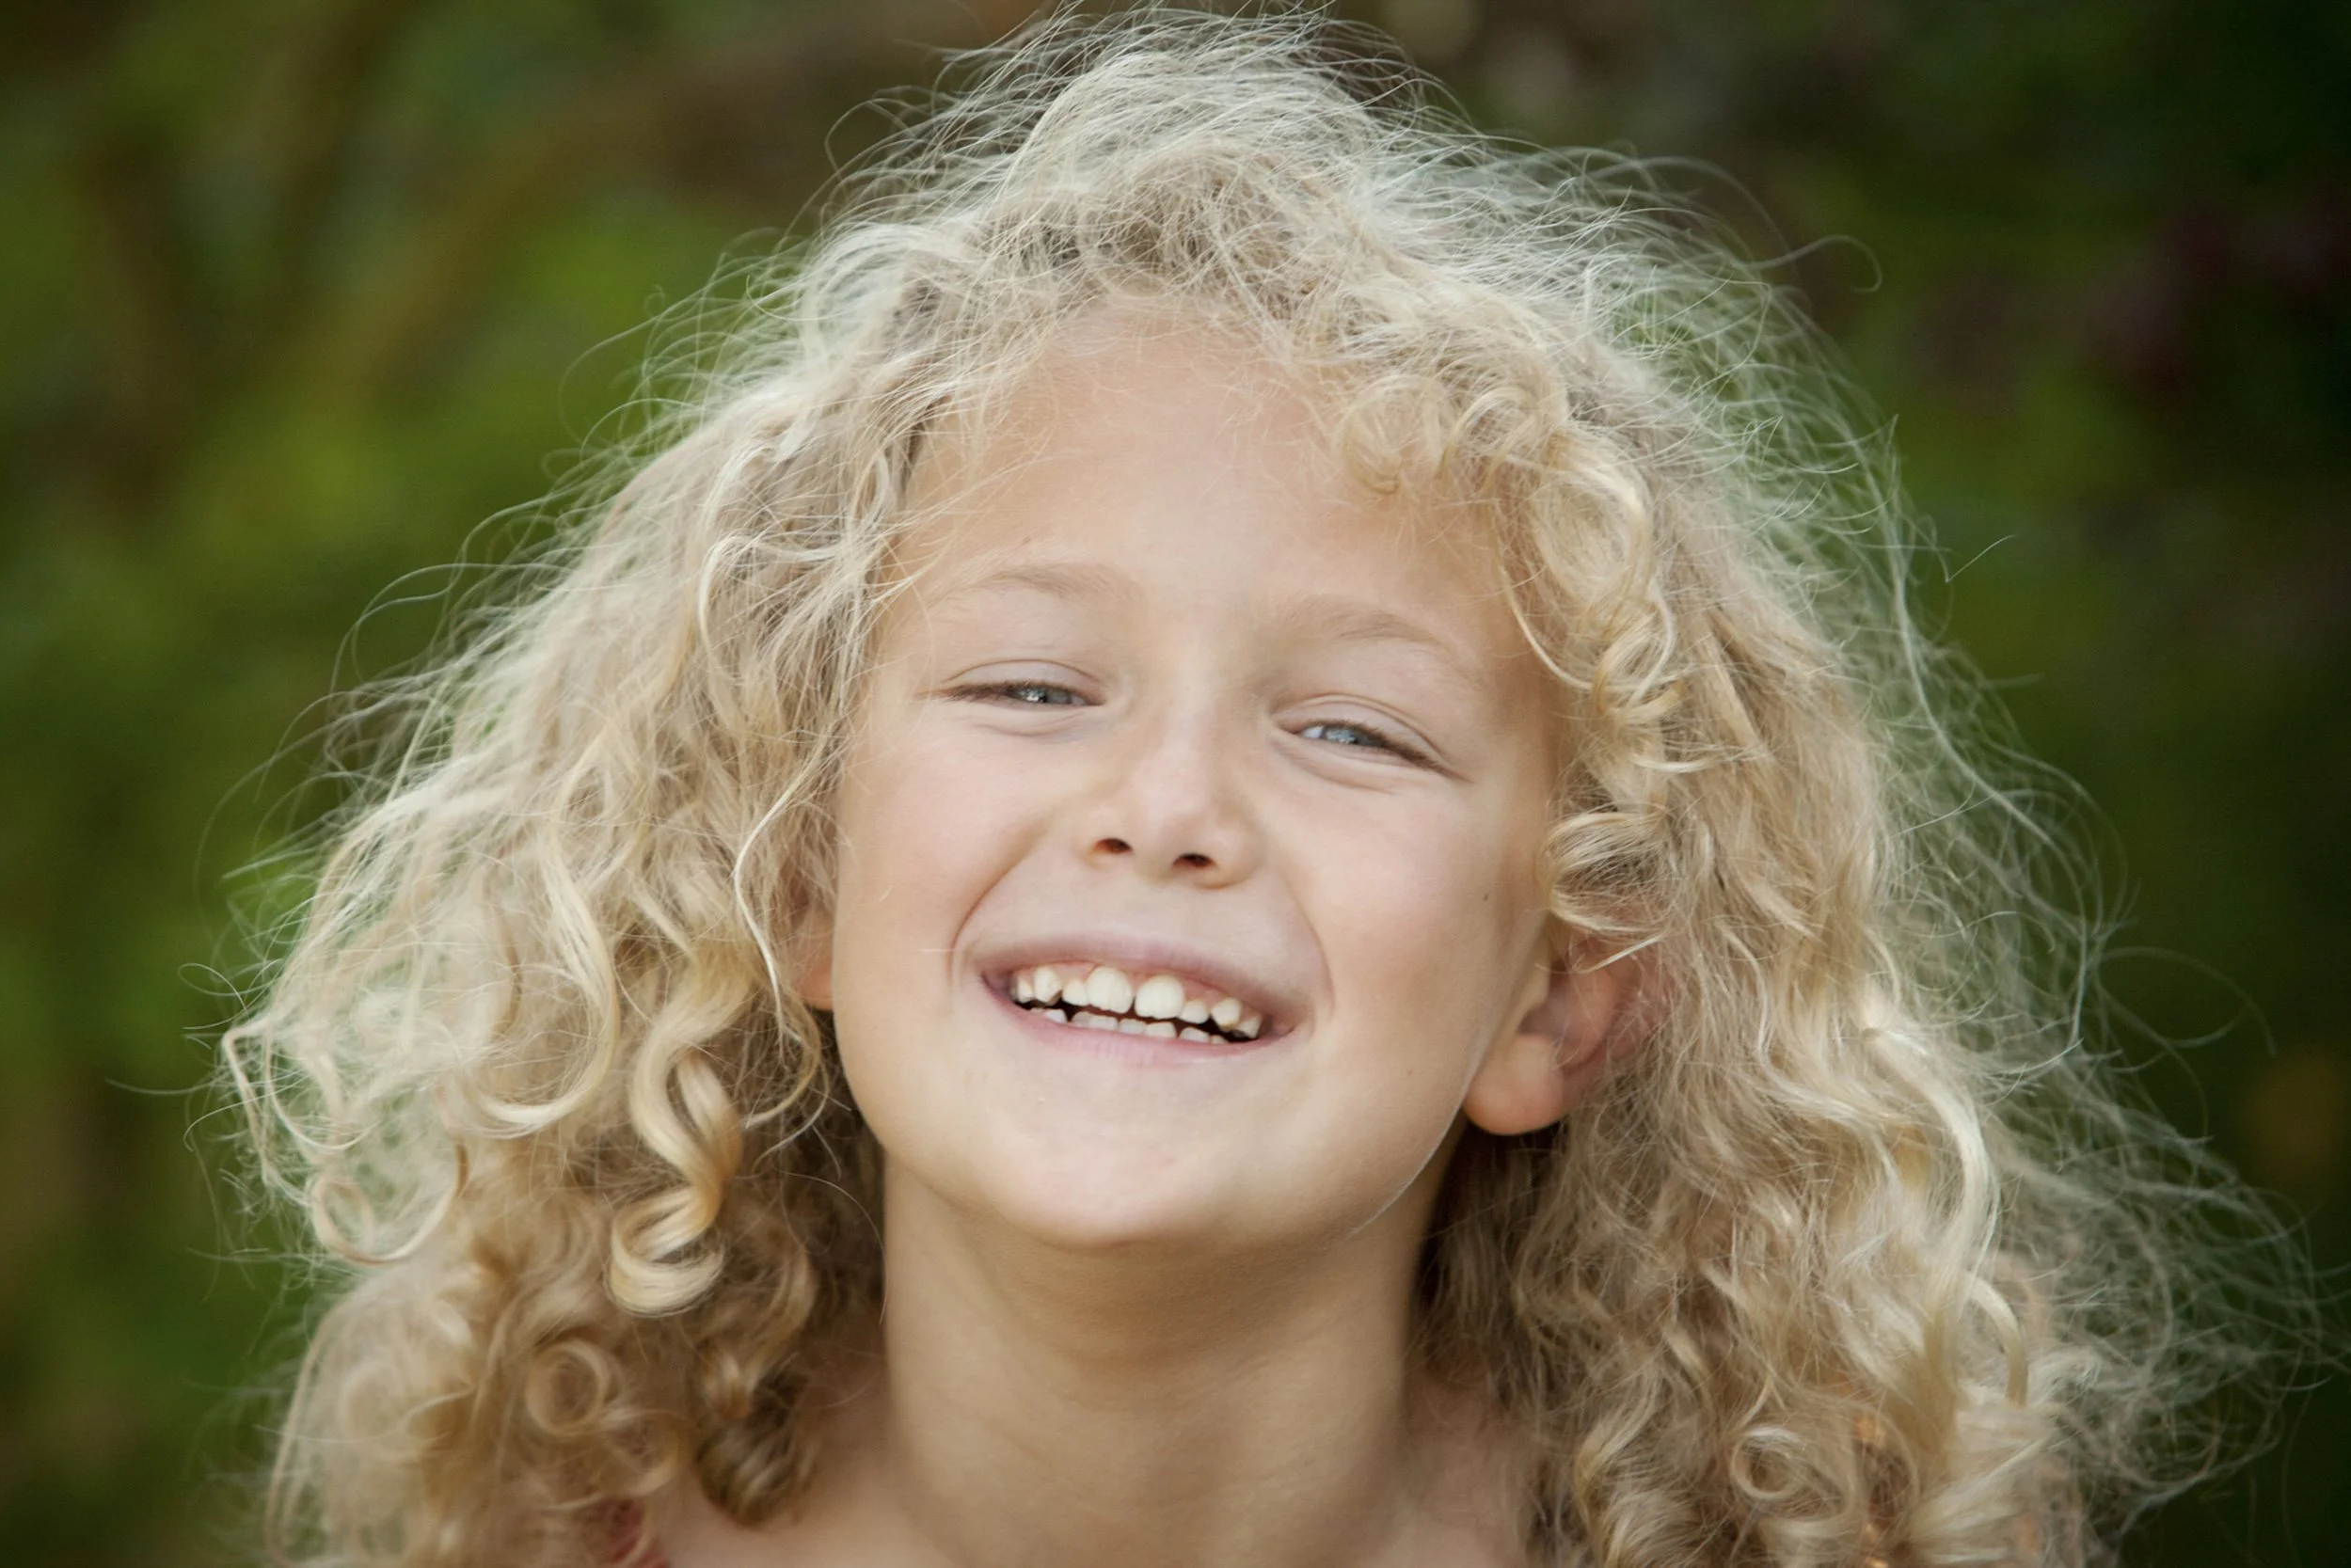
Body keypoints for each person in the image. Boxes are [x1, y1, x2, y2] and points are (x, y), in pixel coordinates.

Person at [224, 9, 2298, 1565]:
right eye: (1033, 682)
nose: (1168, 802)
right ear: (787, 881)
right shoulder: (558, 1536)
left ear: (1558, 990)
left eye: (1352, 729)